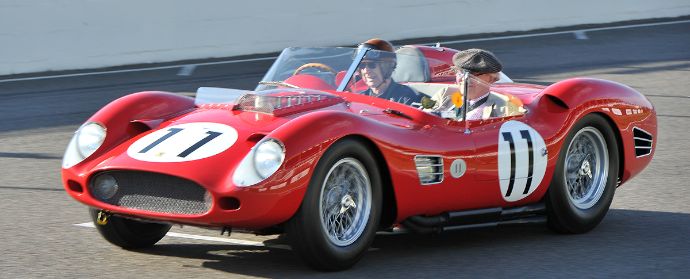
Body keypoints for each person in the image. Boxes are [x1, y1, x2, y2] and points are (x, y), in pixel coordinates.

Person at [430, 48, 521, 120]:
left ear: (490, 78)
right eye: (460, 73)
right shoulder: (445, 95)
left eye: (473, 75)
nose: (464, 79)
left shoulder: (505, 108)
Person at [357, 38, 421, 106]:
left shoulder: (406, 98)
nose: (366, 71)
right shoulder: (360, 98)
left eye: (372, 65)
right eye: (362, 65)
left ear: (387, 67)